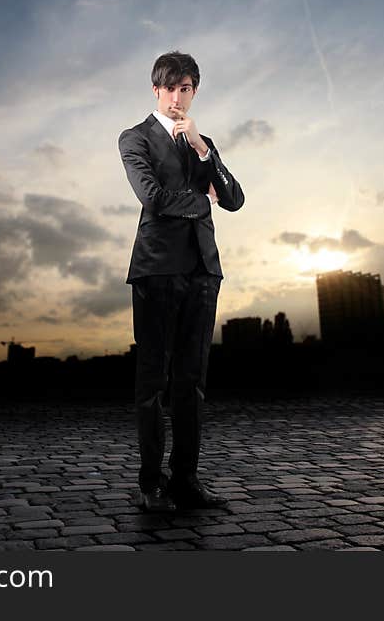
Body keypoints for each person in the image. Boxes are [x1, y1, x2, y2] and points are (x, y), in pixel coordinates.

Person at [119, 51, 245, 511]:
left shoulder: (201, 142)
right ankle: (150, 484)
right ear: (156, 90)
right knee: (153, 381)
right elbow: (151, 198)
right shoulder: (135, 138)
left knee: (192, 382)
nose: (177, 98)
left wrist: (203, 151)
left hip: (203, 272)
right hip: (156, 271)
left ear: (194, 91)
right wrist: (199, 200)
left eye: (186, 89)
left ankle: (185, 480)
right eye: (170, 88)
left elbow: (233, 198)